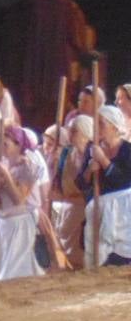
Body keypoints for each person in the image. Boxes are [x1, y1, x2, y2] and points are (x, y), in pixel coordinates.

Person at [17, 0, 95, 127]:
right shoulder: (69, 9)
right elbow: (77, 40)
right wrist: (85, 52)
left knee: (39, 106)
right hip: (58, 64)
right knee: (57, 101)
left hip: (35, 64)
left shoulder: (34, 7)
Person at [0, 127, 47, 281]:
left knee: (15, 268)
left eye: (6, 144)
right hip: (3, 222)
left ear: (18, 145)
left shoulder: (28, 168)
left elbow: (18, 199)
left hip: (21, 220)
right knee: (4, 266)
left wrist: (7, 176)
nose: (2, 148)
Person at [81, 105, 131, 266]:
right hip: (98, 208)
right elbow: (80, 182)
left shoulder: (127, 150)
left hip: (122, 210)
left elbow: (125, 181)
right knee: (96, 251)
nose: (96, 128)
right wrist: (90, 169)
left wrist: (104, 162)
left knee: (121, 250)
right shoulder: (91, 148)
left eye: (101, 124)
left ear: (115, 127)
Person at [48, 115, 93, 269]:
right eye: (70, 130)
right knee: (64, 247)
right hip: (67, 206)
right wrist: (52, 163)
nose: (70, 134)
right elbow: (57, 179)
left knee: (81, 251)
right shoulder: (66, 152)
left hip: (86, 207)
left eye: (75, 131)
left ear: (86, 133)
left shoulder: (93, 152)